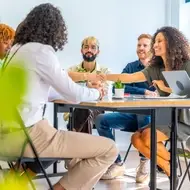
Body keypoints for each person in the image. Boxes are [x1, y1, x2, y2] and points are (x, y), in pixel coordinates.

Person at [0, 3, 118, 190]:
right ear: (54, 30)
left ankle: (20, 178)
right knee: (109, 149)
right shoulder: (41, 52)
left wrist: (84, 86)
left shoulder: (14, 52)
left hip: (4, 139)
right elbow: (73, 94)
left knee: (69, 143)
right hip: (28, 138)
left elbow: (45, 90)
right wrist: (97, 91)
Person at [105, 26, 190, 180]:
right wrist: (104, 77)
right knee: (136, 138)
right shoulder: (155, 68)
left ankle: (170, 167)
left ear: (171, 43)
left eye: (159, 41)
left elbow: (185, 93)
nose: (155, 45)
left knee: (147, 137)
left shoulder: (187, 64)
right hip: (167, 118)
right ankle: (170, 166)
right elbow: (130, 78)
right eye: (154, 42)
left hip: (185, 120)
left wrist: (164, 87)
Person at [95, 34, 157, 182]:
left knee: (143, 114)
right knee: (100, 119)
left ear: (152, 49)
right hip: (131, 116)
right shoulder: (131, 67)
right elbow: (120, 85)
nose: (141, 48)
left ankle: (144, 162)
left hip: (153, 119)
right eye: (139, 45)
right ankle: (117, 163)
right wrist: (144, 91)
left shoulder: (157, 69)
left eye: (145, 45)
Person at [64, 36, 112, 134]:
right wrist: (87, 85)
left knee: (85, 107)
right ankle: (84, 145)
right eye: (86, 47)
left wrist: (80, 86)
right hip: (73, 109)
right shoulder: (71, 71)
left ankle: (73, 130)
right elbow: (66, 88)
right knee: (84, 108)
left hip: (97, 110)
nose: (89, 50)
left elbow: (104, 92)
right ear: (81, 50)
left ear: (98, 51)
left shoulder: (105, 71)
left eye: (93, 47)